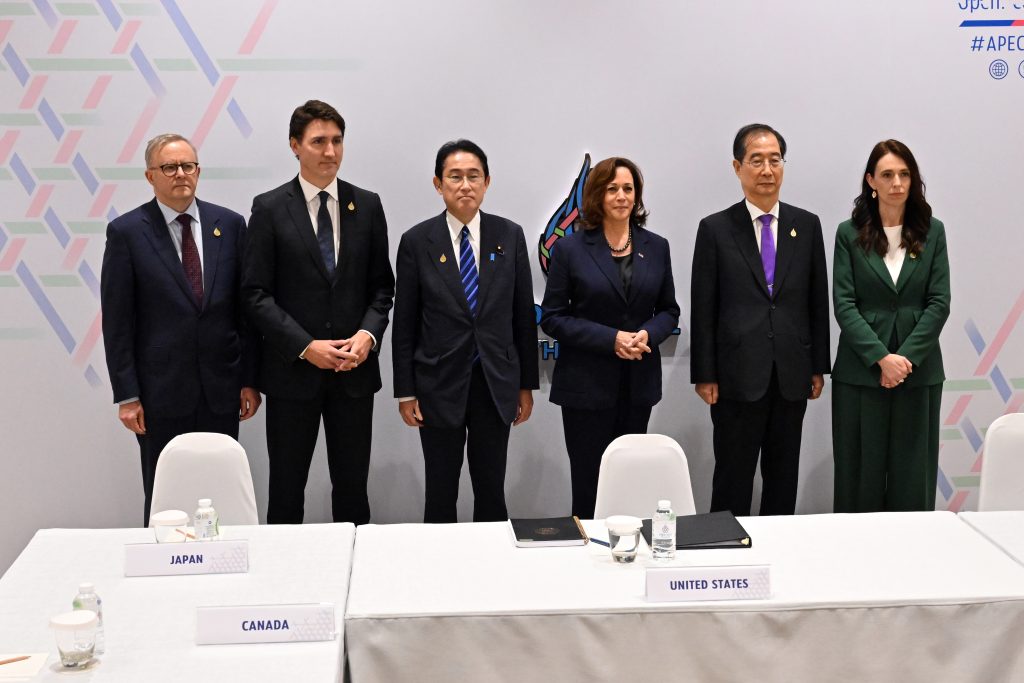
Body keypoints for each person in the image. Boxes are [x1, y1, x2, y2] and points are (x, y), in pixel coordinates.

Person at [243, 100, 394, 524]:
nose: (330, 151)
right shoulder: (270, 208)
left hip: (354, 374)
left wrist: (367, 336)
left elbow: (383, 287)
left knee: (352, 490)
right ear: (295, 146)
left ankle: (355, 576)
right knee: (287, 490)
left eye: (337, 141)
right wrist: (305, 346)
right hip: (294, 376)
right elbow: (255, 294)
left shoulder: (367, 205)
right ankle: (286, 580)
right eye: (318, 142)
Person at [101, 133, 260, 526]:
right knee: (165, 497)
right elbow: (118, 321)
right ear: (150, 175)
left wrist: (248, 380)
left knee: (220, 494)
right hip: (159, 395)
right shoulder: (127, 232)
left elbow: (245, 313)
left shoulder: (231, 224)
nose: (180, 175)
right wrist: (128, 395)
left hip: (221, 391)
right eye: (169, 167)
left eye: (188, 166)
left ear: (198, 171)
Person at [392, 140, 538, 523]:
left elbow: (523, 317)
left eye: (474, 176)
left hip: (495, 382)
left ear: (487, 182)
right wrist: (405, 390)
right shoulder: (417, 241)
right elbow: (405, 323)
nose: (465, 185)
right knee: (441, 490)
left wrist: (526, 385)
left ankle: (490, 573)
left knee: (491, 488)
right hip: (438, 383)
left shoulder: (510, 235)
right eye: (454, 177)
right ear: (438, 185)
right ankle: (439, 573)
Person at [690, 124, 830, 517]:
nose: (767, 169)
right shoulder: (715, 229)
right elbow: (704, 307)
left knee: (783, 477)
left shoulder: (808, 225)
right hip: (735, 377)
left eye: (775, 160)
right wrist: (705, 373)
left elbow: (817, 301)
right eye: (756, 161)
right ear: (737, 167)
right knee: (733, 476)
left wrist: (818, 366)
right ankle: (724, 550)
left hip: (791, 373)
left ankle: (779, 557)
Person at [541, 156, 679, 519]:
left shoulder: (657, 246)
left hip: (638, 385)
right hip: (586, 386)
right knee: (590, 484)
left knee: (631, 482)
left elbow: (669, 311)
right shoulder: (570, 249)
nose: (621, 196)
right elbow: (553, 318)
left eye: (628, 189)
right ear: (597, 195)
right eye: (612, 188)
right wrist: (611, 339)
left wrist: (648, 333)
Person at [832, 140, 950, 512]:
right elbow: (844, 304)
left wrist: (904, 360)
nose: (897, 182)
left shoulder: (934, 232)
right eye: (887, 175)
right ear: (871, 181)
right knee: (859, 475)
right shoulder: (848, 234)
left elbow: (939, 302)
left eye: (904, 174)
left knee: (912, 476)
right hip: (861, 372)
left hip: (919, 372)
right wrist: (882, 358)